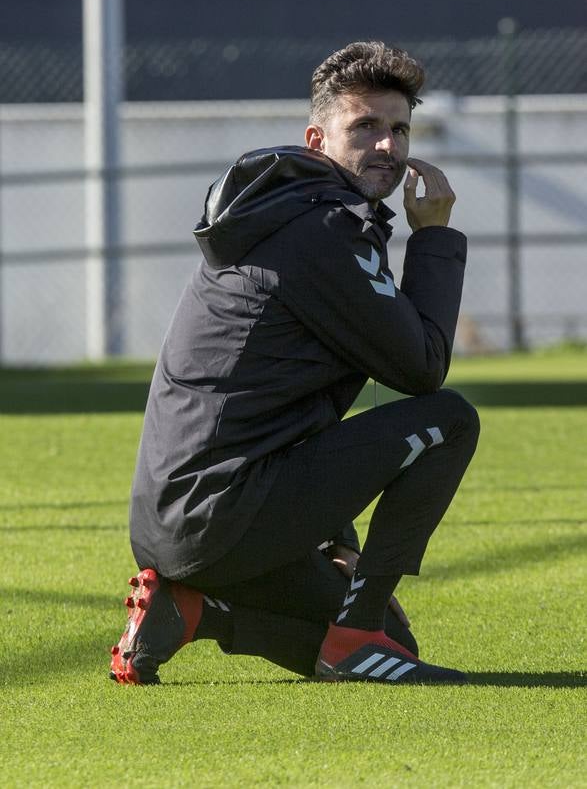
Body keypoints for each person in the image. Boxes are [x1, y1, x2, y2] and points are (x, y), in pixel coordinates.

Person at [110, 40, 480, 686]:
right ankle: (354, 635)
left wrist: (335, 539)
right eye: (363, 126)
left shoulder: (287, 221)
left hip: (185, 526)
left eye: (398, 129)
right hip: (225, 513)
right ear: (317, 139)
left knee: (399, 640)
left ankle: (194, 613)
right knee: (448, 419)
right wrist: (435, 238)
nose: (387, 147)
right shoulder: (320, 232)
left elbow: (290, 408)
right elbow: (421, 370)